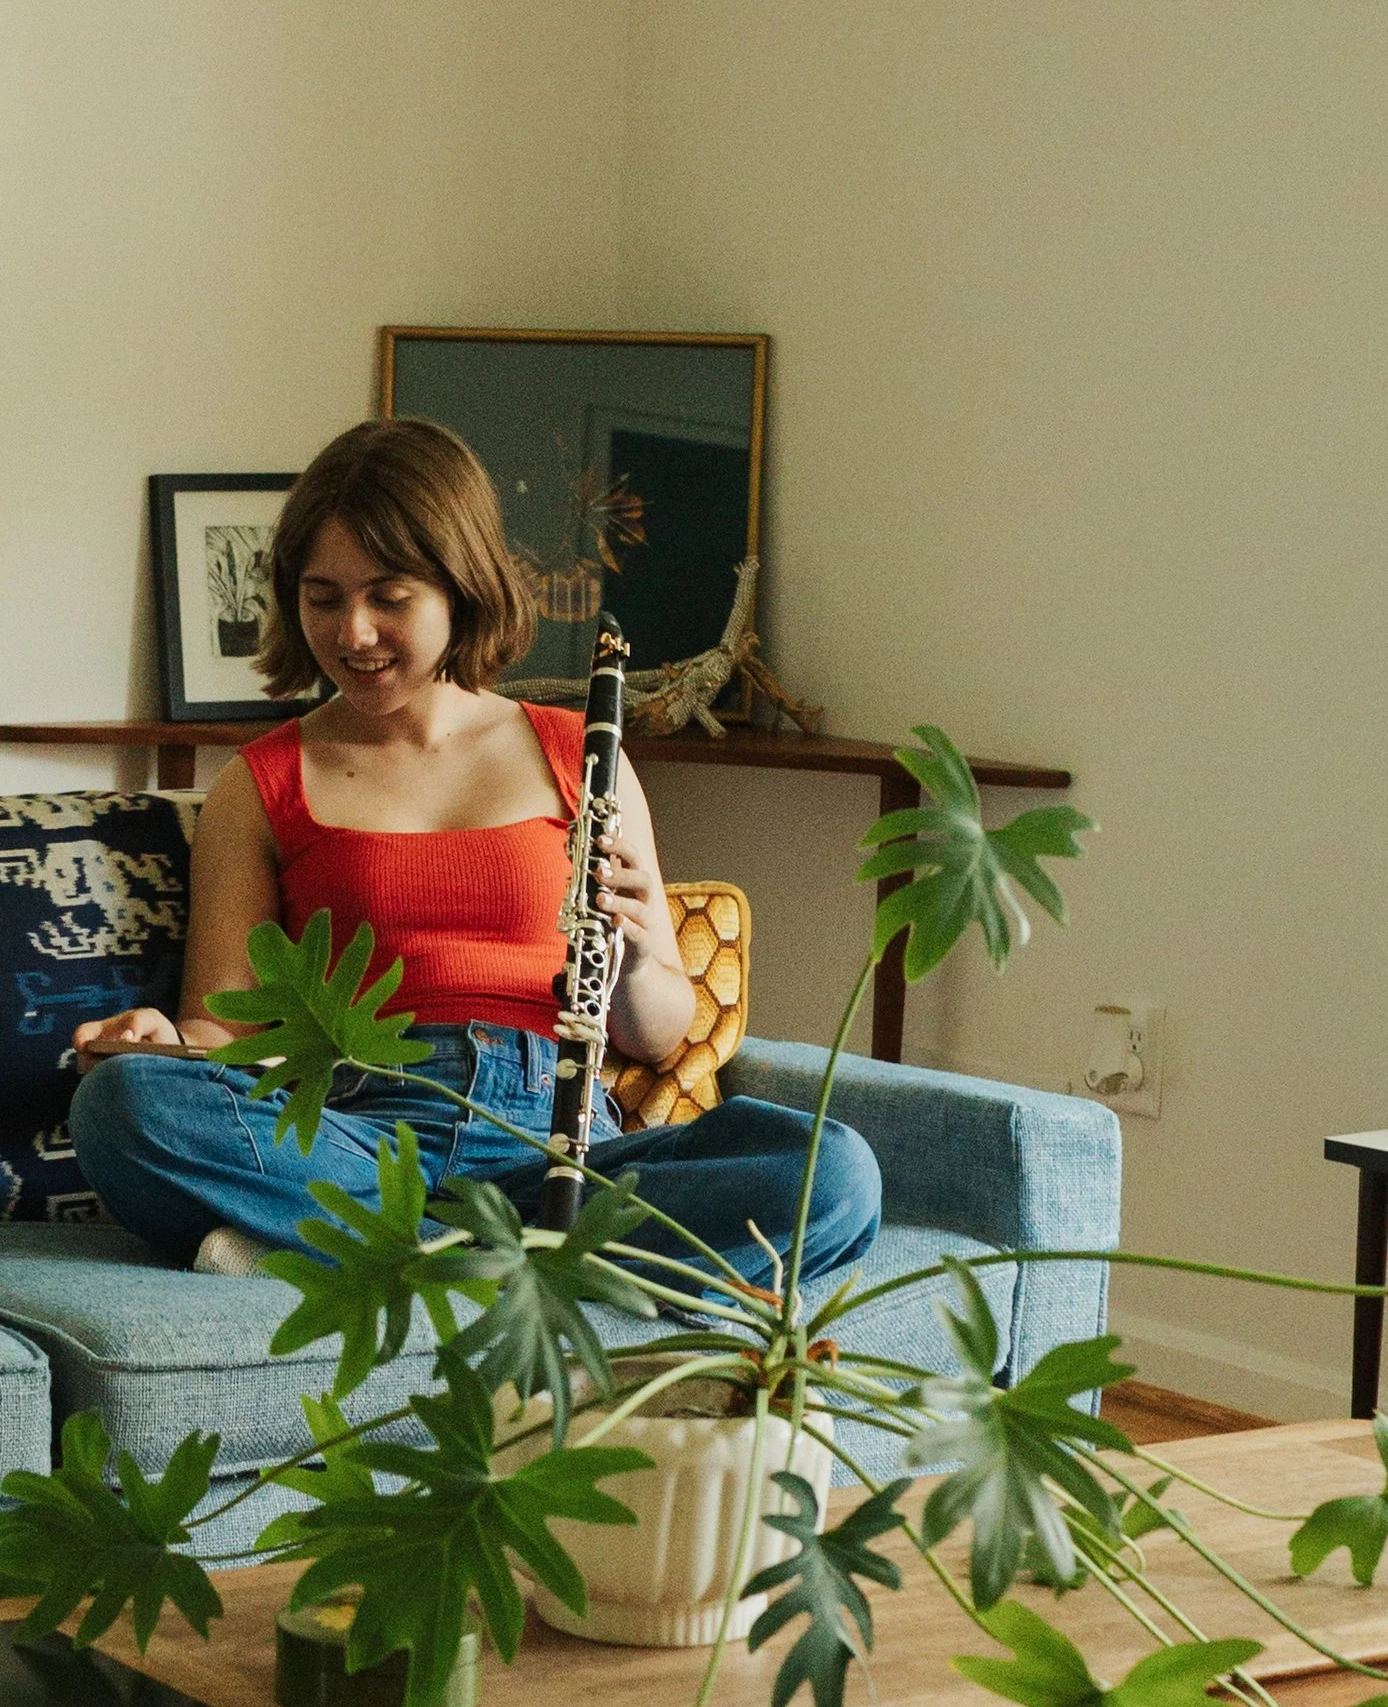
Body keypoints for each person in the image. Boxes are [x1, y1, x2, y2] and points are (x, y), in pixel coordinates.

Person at [69, 417, 881, 1302]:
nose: (354, 631)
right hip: (362, 1138)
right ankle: (532, 1275)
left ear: (460, 587)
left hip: (561, 1144)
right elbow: (233, 1037)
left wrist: (645, 950)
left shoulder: (583, 756)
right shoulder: (261, 784)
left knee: (834, 1172)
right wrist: (160, 1049)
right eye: (323, 596)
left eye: (390, 595)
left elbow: (653, 1035)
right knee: (124, 1112)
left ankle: (399, 1264)